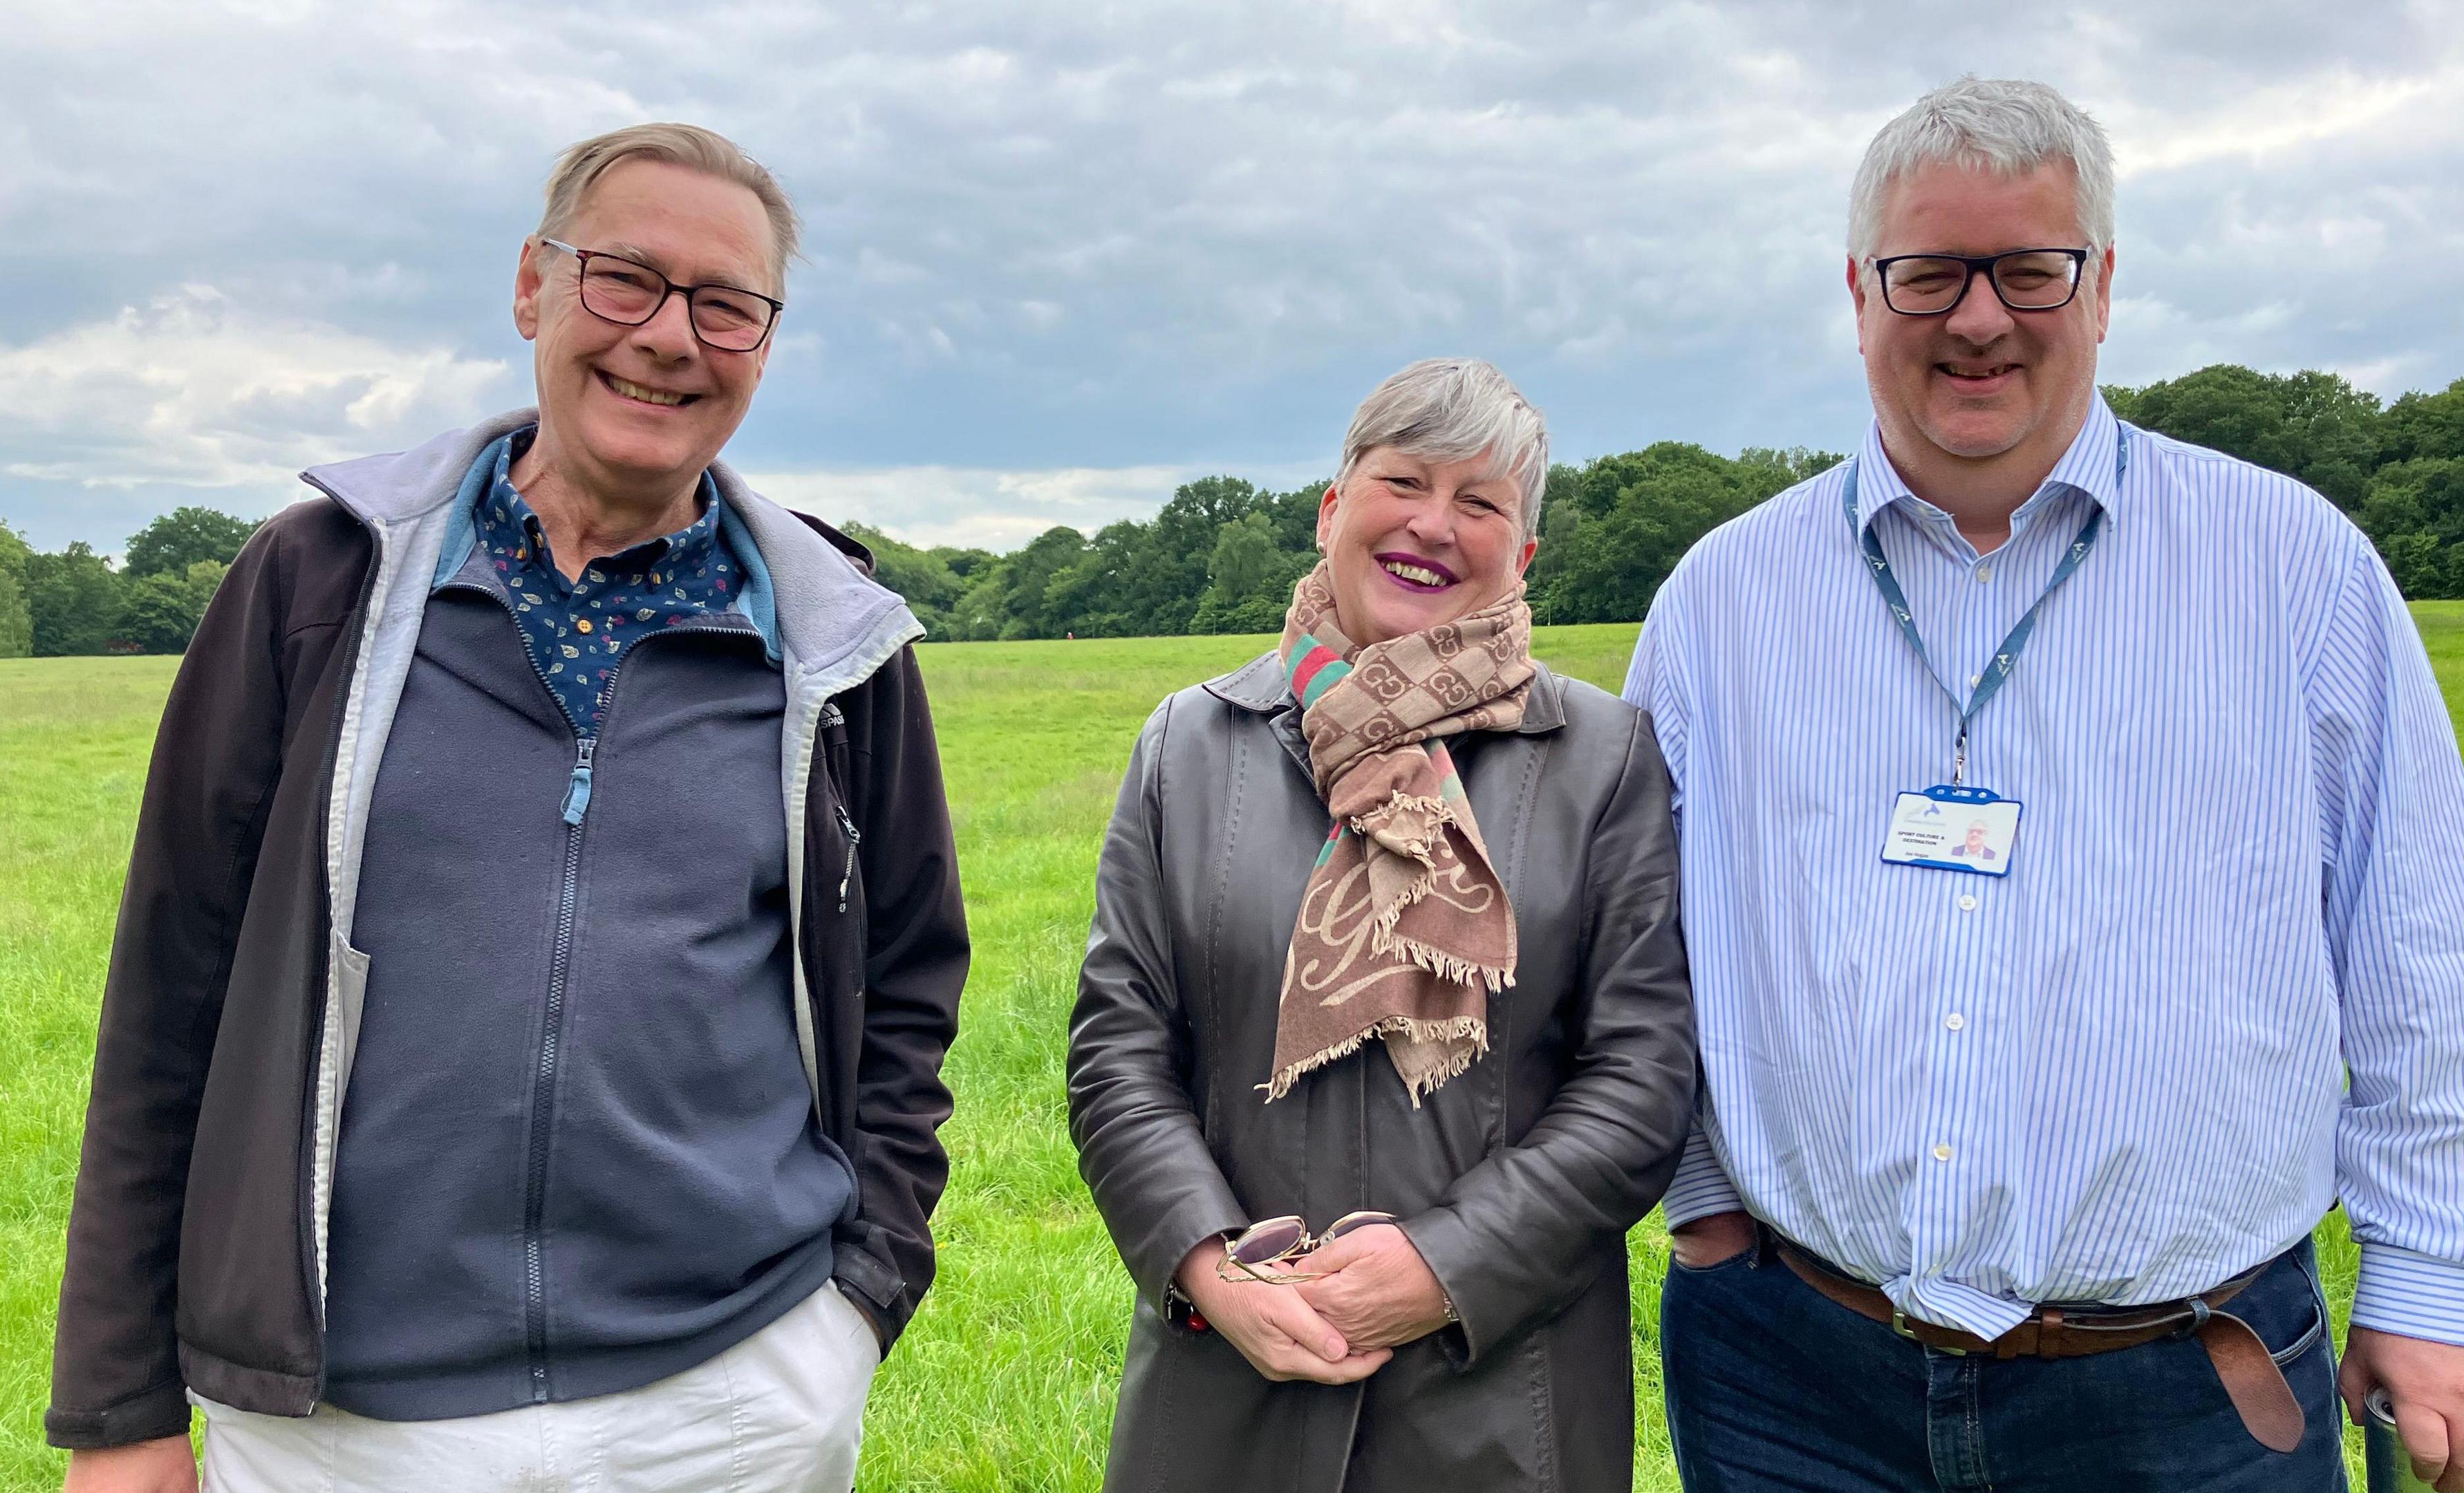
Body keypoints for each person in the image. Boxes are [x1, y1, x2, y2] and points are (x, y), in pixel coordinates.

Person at [1631, 79, 2464, 1493]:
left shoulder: (2290, 568)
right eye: (1929, 272)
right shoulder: (1723, 599)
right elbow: (1641, 941)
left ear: (2105, 284)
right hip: (1796, 1380)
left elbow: (2421, 944)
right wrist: (1705, 1209)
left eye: (2030, 269)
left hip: (2183, 1390)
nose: (1978, 319)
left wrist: (2436, 1278)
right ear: (1857, 289)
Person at [48, 123, 970, 1493]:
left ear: (765, 345)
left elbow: (907, 985)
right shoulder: (314, 588)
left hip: (726, 1405)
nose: (670, 337)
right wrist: (121, 1414)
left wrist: (850, 1306)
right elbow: (170, 999)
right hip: (344, 1431)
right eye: (625, 280)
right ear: (533, 289)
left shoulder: (838, 644)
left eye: (728, 305)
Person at [1067, 357, 1699, 1492]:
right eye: (1404, 479)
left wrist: (1444, 1264)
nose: (1433, 524)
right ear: (1332, 509)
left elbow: (1640, 1077)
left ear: (1525, 553)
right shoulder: (1188, 744)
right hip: (1227, 1386)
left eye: (1482, 501)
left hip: (1504, 1400)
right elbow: (1119, 1049)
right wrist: (1208, 1270)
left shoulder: (1602, 760)